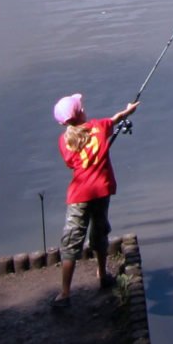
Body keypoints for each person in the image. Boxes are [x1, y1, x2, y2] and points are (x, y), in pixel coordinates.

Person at [51, 92, 137, 309]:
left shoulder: (64, 141)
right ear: (81, 112)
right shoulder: (100, 127)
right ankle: (102, 273)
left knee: (72, 239)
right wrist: (129, 110)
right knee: (99, 232)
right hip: (101, 192)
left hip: (78, 196)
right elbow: (116, 118)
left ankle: (65, 292)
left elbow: (71, 165)